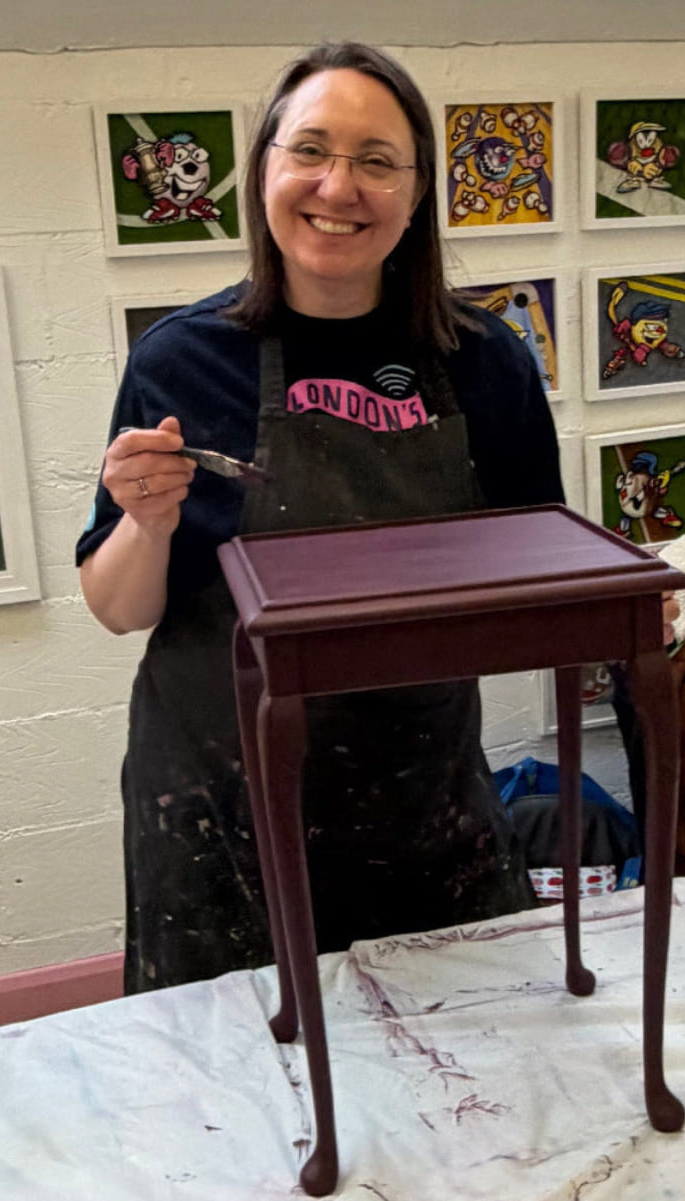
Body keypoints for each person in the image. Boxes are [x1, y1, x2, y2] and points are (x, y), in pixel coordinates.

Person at [76, 42, 566, 994]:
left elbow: (537, 573)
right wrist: (147, 522)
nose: (337, 186)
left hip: (421, 798)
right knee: (239, 1100)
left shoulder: (484, 359)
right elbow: (118, 607)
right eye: (311, 150)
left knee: (468, 1076)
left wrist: (619, 606)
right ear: (265, 169)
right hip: (220, 806)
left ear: (417, 192)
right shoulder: (181, 359)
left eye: (377, 160)